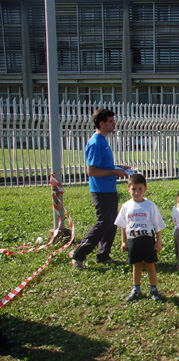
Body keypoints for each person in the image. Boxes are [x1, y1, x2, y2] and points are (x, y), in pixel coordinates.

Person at [71, 108, 128, 270]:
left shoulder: (103, 141)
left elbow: (105, 166)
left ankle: (103, 255)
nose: (113, 124)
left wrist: (120, 168)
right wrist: (114, 171)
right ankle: (79, 253)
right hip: (100, 190)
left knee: (112, 223)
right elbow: (92, 171)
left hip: (109, 188)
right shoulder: (96, 143)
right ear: (101, 123)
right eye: (110, 121)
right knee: (103, 222)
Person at [114, 174, 166, 302]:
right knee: (136, 265)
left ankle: (154, 289)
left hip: (147, 239)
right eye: (134, 189)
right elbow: (123, 225)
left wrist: (158, 242)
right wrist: (123, 241)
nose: (136, 192)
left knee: (150, 265)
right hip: (133, 240)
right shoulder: (126, 206)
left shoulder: (150, 206)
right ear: (128, 189)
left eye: (140, 189)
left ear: (145, 189)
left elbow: (158, 226)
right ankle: (136, 289)